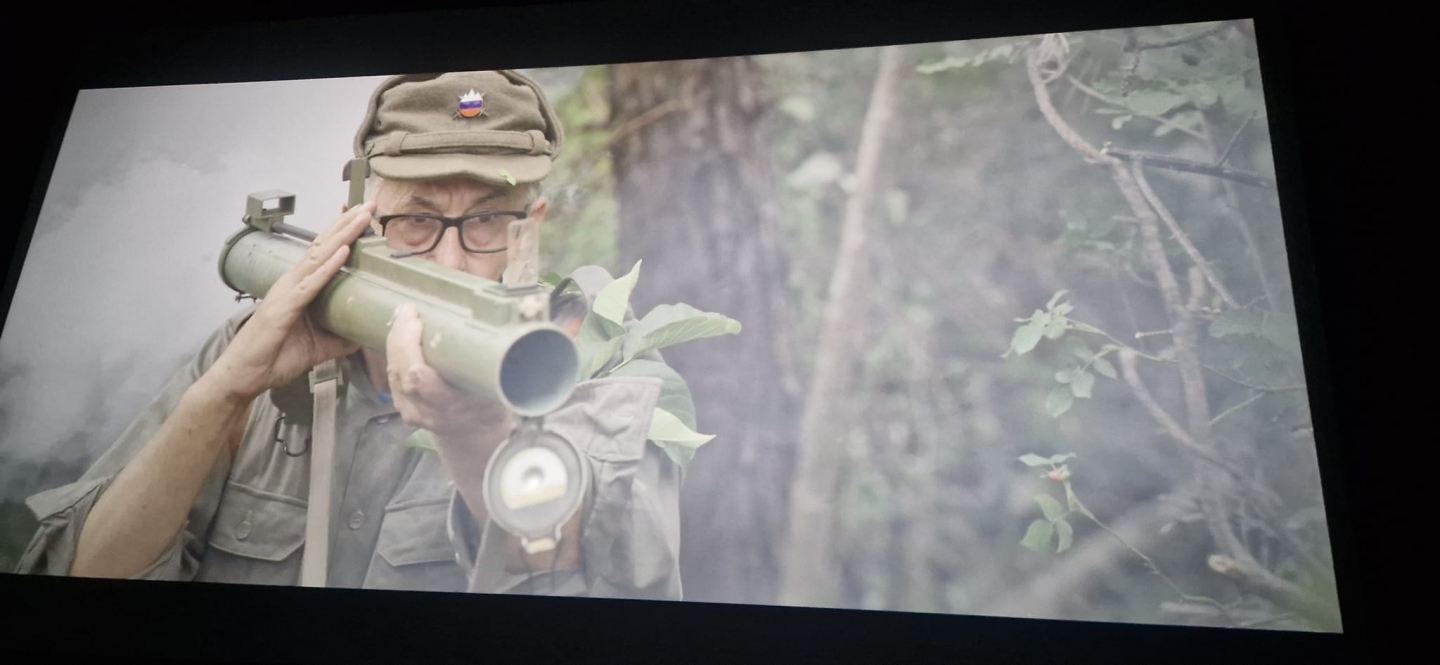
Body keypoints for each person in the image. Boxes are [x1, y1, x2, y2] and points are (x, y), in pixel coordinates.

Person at [15, 71, 683, 599]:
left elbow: (612, 600)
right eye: (416, 220)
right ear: (359, 222)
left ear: (530, 227)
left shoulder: (595, 370)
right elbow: (84, 581)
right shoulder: (257, 353)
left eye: (487, 221)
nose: (450, 262)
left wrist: (478, 435)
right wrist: (224, 394)